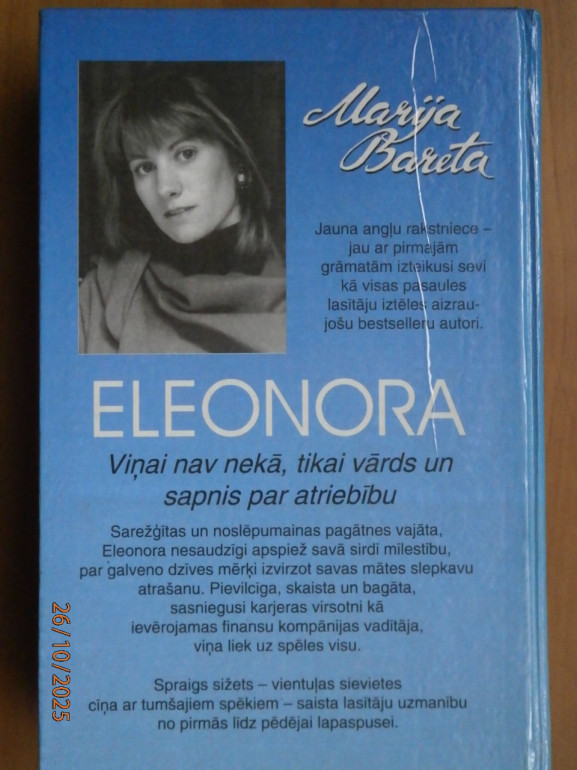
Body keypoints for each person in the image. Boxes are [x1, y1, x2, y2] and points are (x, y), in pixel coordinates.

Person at [79, 66, 286, 354]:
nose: (165, 187)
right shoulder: (103, 292)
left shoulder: (312, 284)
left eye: (185, 154)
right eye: (145, 168)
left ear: (236, 155)